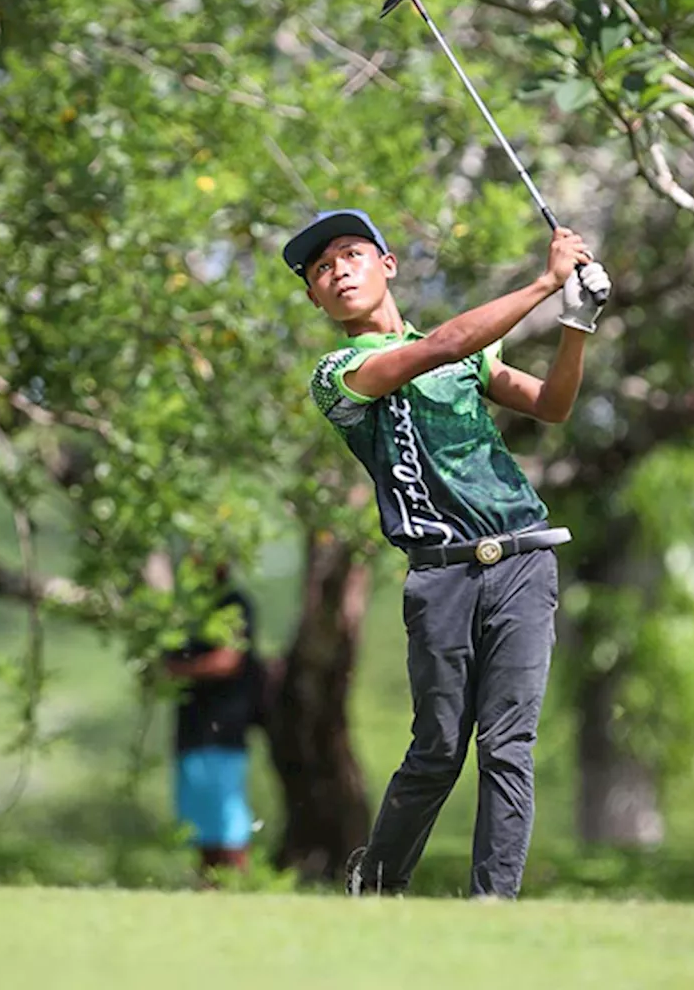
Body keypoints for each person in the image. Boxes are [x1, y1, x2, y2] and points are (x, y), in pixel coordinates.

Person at [283, 208, 611, 900]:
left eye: (350, 254)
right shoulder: (341, 371)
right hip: (441, 576)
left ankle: (492, 906)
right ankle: (376, 885)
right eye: (321, 270)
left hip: (524, 558)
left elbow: (551, 405)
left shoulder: (471, 353)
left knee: (507, 745)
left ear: (388, 264)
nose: (338, 271)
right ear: (315, 298)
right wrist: (544, 286)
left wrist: (577, 325)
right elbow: (435, 352)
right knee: (437, 750)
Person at [163, 564, 262, 879]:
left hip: (223, 730)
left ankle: (238, 887)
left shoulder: (233, 604)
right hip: (191, 731)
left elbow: (227, 660)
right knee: (201, 826)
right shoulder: (185, 608)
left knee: (228, 825)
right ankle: (211, 889)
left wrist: (179, 671)